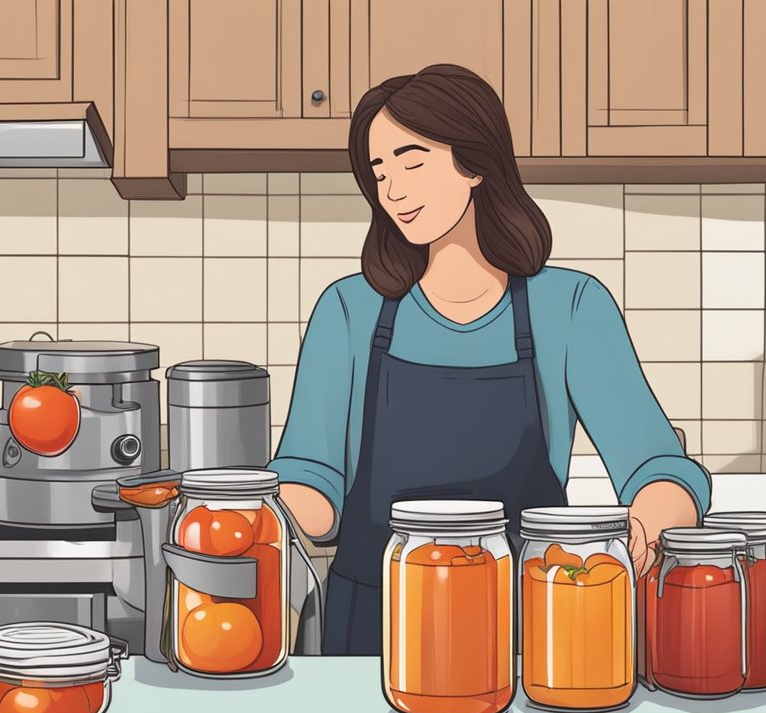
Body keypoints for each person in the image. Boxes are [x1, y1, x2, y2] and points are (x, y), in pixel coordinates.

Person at [265, 64, 712, 656]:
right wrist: (245, 518)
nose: (392, 190)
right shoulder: (349, 309)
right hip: (375, 623)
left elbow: (655, 464)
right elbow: (312, 482)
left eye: (411, 160)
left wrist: (651, 520)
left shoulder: (570, 306)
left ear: (475, 163)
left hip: (528, 619)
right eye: (378, 171)